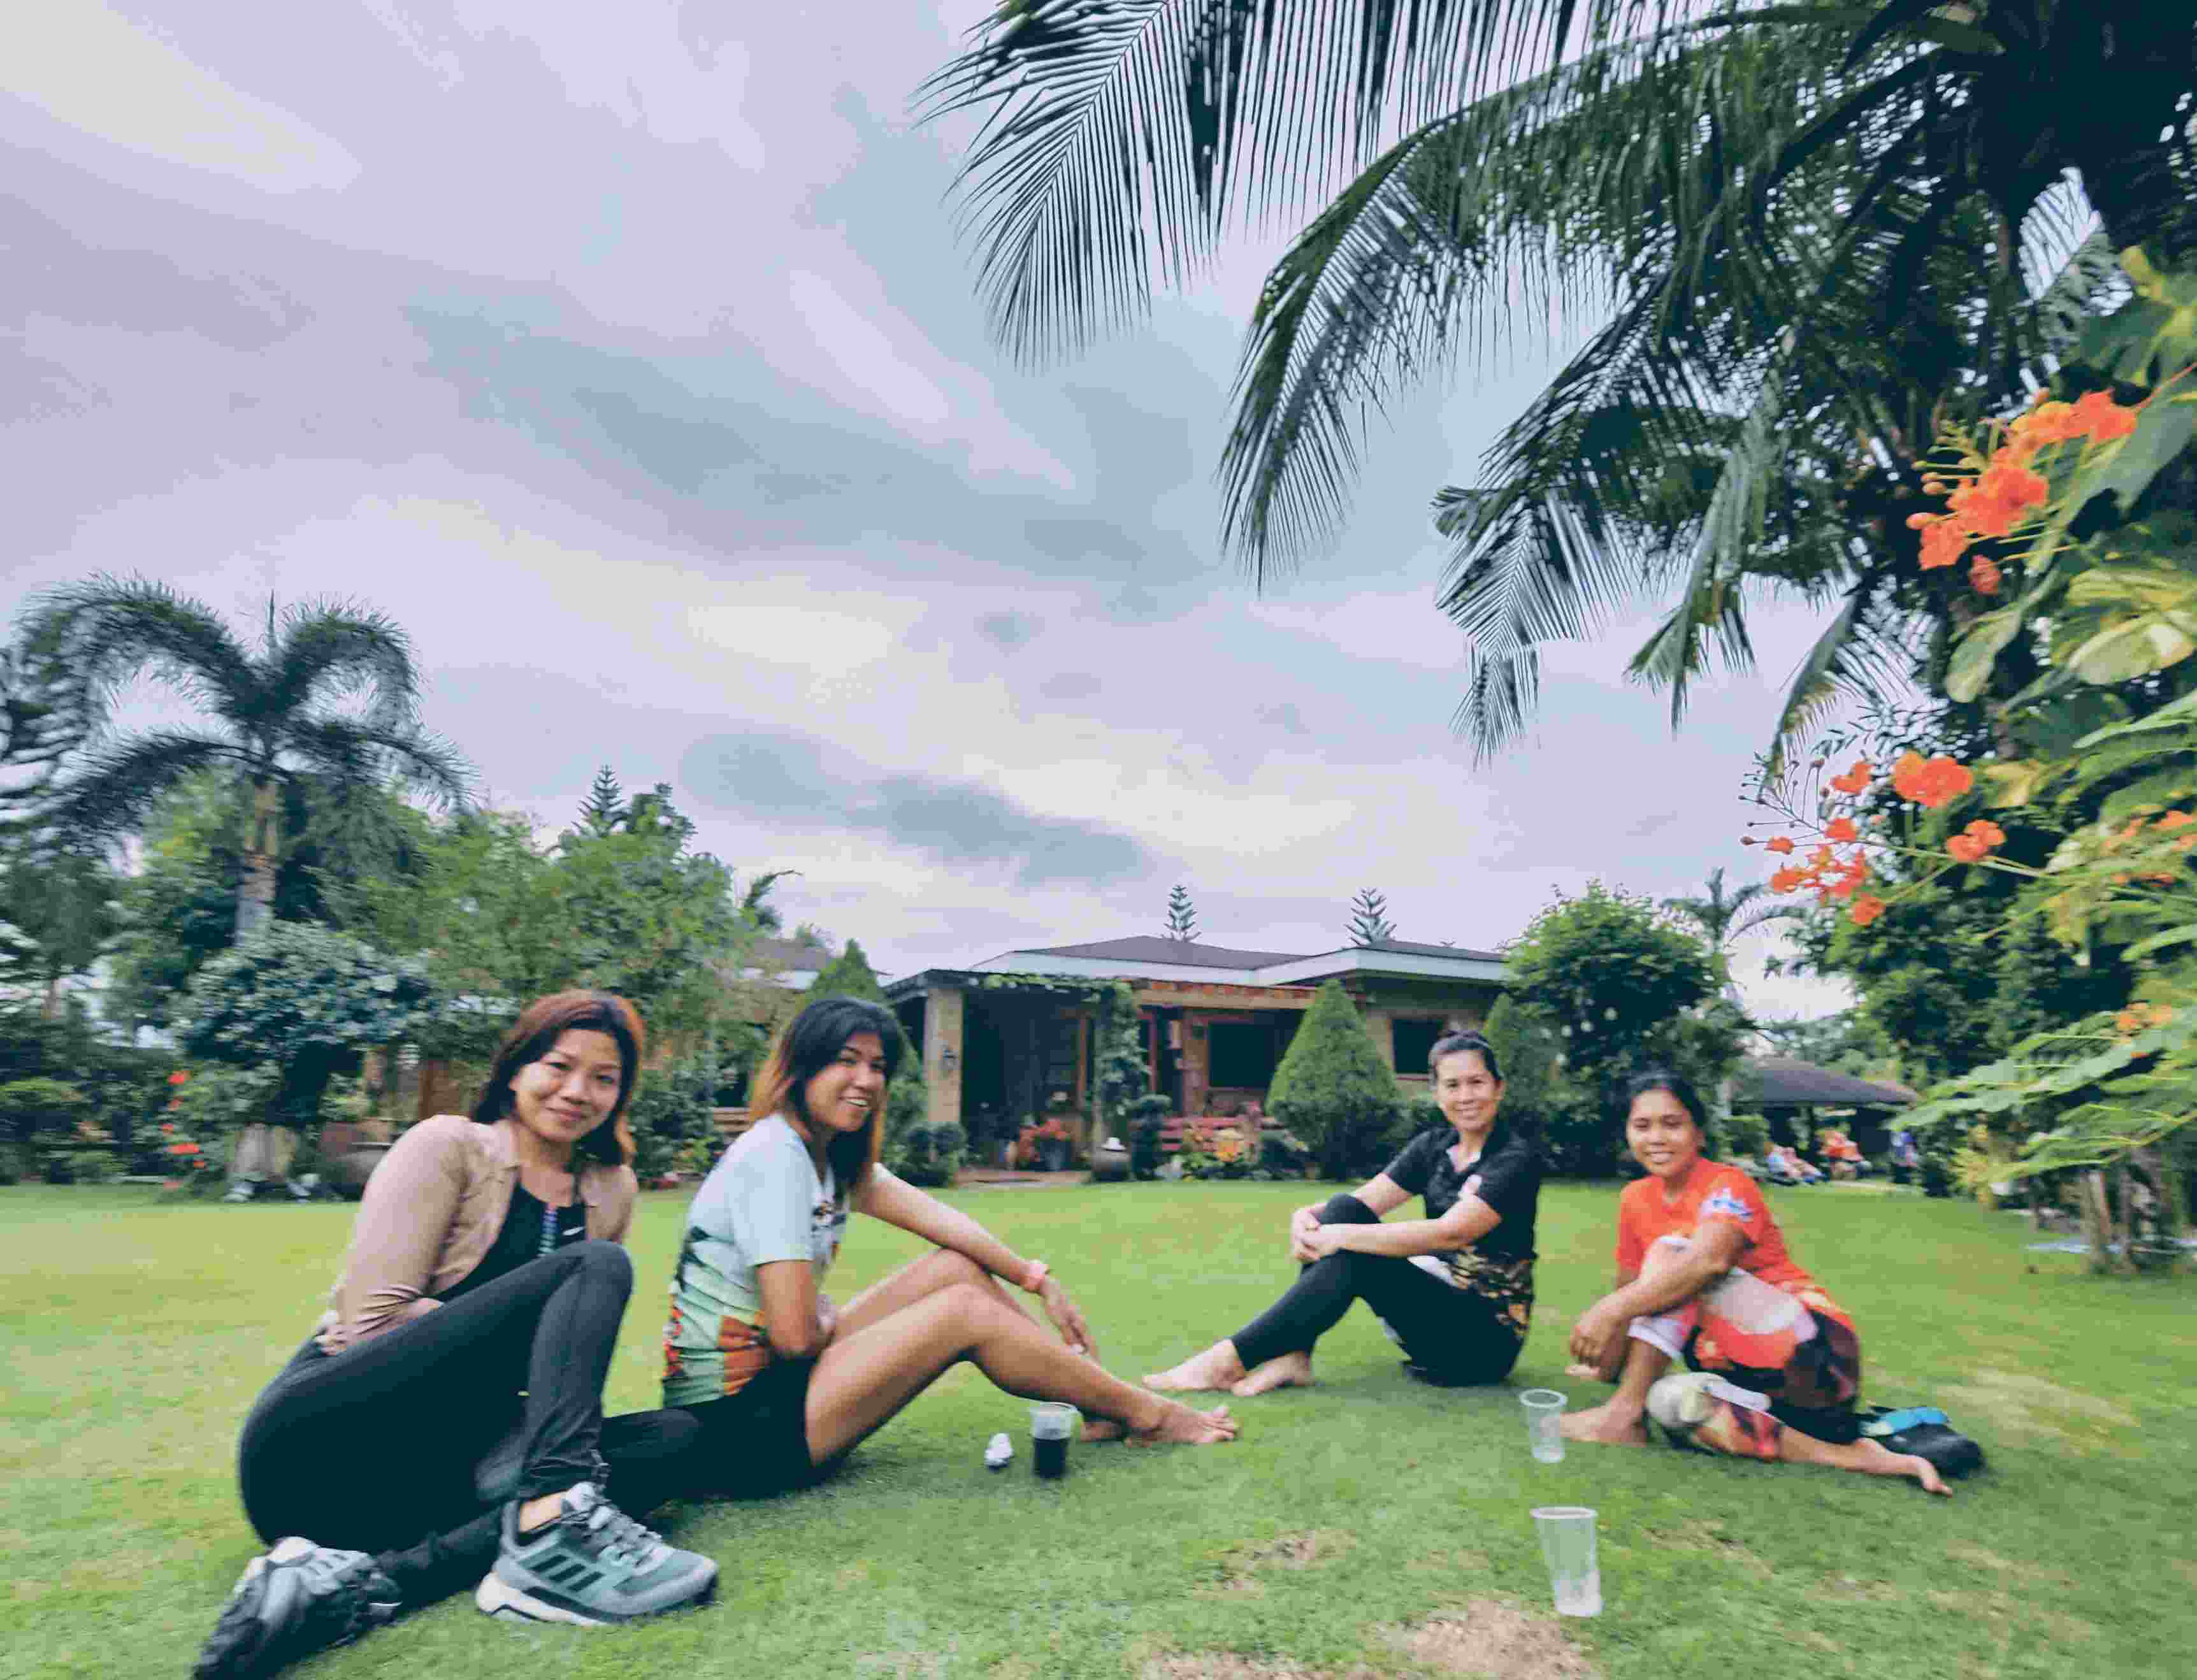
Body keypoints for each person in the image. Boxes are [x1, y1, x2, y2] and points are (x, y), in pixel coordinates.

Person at [195, 992, 717, 1680]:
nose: (576, 1091)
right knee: (595, 1267)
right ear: (516, 1069)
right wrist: (526, 1327)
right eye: (558, 1066)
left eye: (603, 1078)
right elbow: (370, 1324)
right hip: (317, 1449)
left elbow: (560, 1357)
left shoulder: (611, 1187)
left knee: (674, 1439)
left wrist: (523, 1339)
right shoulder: (449, 1146)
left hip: (431, 1481)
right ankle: (555, 1523)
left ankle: (362, 1586)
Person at [662, 996, 1236, 1497]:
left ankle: (1099, 1405)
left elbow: (944, 1222)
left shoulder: (829, 1156)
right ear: (801, 1067)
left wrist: (1037, 1280)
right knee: (962, 1312)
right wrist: (825, 1318)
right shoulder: (774, 1157)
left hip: (779, 1393)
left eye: (877, 1066)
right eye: (846, 1060)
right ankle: (1148, 1413)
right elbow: (794, 1338)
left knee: (955, 1269)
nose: (866, 1080)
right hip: (737, 1432)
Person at [1559, 1071, 1948, 1493]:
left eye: (1672, 1124)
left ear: (1699, 1134)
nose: (1656, 1137)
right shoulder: (1635, 1198)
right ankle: (1849, 1455)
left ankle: (1623, 1415)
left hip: (1817, 1355)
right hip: (1755, 1386)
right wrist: (1605, 1366)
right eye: (1642, 1125)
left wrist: (1608, 1310)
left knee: (1673, 1254)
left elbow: (1707, 1263)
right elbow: (1632, 1289)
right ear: (1627, 1133)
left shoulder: (1728, 1184)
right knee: (1670, 1404)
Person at [1144, 1031, 1541, 1398]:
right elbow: (1358, 1203)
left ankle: (1228, 1361)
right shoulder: (1434, 1147)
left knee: (1352, 1247)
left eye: (1477, 1082)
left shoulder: (1514, 1160)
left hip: (1484, 1342)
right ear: (1437, 1094)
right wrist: (1306, 1218)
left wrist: (1338, 1237)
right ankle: (1294, 1356)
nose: (1466, 1096)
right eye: (1453, 1085)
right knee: (1342, 1209)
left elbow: (1451, 1233)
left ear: (1499, 1087)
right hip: (1436, 1312)